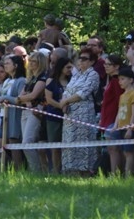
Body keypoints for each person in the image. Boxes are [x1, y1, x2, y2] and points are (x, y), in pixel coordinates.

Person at [60, 47, 100, 176]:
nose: (81, 61)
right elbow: (68, 90)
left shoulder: (93, 74)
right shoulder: (77, 75)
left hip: (84, 115)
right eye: (80, 58)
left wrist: (66, 101)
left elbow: (83, 93)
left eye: (85, 59)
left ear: (92, 61)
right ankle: (70, 172)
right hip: (70, 115)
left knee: (83, 144)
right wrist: (63, 101)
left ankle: (85, 172)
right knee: (69, 142)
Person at [17, 51, 48, 173]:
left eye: (34, 61)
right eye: (30, 61)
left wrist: (24, 98)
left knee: (27, 143)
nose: (30, 64)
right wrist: (24, 98)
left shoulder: (43, 77)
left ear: (40, 63)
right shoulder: (30, 79)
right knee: (26, 144)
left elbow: (33, 95)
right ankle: (34, 170)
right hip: (25, 111)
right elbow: (21, 96)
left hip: (36, 112)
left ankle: (37, 171)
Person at [44, 57, 73, 174]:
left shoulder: (72, 81)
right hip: (54, 117)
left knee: (67, 145)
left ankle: (67, 169)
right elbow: (49, 99)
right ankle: (56, 170)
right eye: (68, 67)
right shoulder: (52, 82)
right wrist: (61, 106)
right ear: (61, 68)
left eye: (71, 67)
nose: (70, 70)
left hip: (70, 117)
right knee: (55, 146)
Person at [110, 67, 134, 176]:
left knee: (129, 152)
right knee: (124, 152)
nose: (120, 82)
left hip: (129, 128)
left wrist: (130, 129)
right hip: (121, 127)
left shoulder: (133, 94)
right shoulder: (122, 96)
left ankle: (128, 176)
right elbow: (119, 112)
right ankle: (125, 174)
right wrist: (115, 126)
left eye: (122, 79)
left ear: (131, 80)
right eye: (119, 79)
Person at [0, 55, 27, 170]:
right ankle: (9, 169)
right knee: (6, 142)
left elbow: (20, 100)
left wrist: (6, 97)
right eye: (4, 63)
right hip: (5, 115)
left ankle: (19, 170)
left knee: (14, 140)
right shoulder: (7, 81)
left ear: (16, 65)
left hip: (16, 114)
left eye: (8, 63)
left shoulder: (21, 81)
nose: (5, 65)